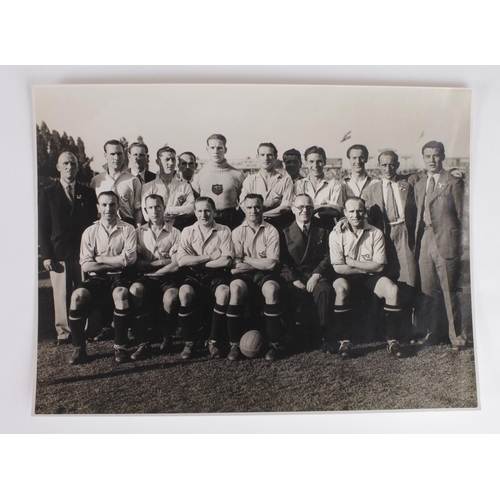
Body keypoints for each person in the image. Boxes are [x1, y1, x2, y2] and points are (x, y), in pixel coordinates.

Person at [67, 191, 137, 365]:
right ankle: (79, 349)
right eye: (104, 205)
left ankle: (120, 347)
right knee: (77, 297)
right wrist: (116, 261)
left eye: (112, 204)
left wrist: (100, 259)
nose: (108, 209)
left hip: (120, 276)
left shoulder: (128, 229)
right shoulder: (90, 232)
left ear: (118, 207)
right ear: (98, 208)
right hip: (97, 278)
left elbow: (129, 260)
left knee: (121, 294)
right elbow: (86, 265)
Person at [329, 197, 405, 359]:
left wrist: (352, 262)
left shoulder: (376, 233)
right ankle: (345, 341)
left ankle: (393, 340)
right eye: (351, 211)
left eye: (359, 211)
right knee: (341, 289)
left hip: (370, 276)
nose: (355, 215)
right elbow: (338, 267)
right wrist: (365, 267)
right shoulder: (336, 233)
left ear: (365, 212)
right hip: (346, 276)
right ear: (345, 213)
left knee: (392, 289)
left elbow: (379, 266)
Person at [39, 151, 98, 345]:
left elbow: (92, 224)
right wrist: (47, 255)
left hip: (83, 253)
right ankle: (64, 332)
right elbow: (43, 227)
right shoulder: (47, 193)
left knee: (84, 291)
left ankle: (86, 330)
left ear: (78, 166)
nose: (69, 167)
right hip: (59, 252)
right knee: (61, 294)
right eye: (65, 164)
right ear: (58, 167)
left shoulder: (88, 193)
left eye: (72, 163)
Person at [414, 141, 466, 351]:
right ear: (423, 158)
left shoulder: (453, 181)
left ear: (443, 156)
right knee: (428, 291)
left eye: (436, 156)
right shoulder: (419, 183)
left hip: (446, 240)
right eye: (428, 156)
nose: (432, 160)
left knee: (449, 291)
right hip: (425, 239)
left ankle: (457, 338)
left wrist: (461, 244)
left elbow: (463, 216)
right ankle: (434, 333)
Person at [229, 194, 286, 361]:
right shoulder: (237, 232)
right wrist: (259, 262)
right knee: (235, 289)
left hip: (264, 275)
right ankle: (234, 344)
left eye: (257, 207)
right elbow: (235, 266)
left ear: (263, 208)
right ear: (243, 208)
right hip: (244, 274)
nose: (253, 211)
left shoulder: (271, 230)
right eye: (249, 207)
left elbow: (271, 265)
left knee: (271, 289)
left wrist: (245, 258)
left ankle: (274, 344)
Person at [176, 197, 234, 360]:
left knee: (224, 292)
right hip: (194, 275)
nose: (204, 214)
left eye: (207, 210)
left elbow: (227, 260)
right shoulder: (188, 231)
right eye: (200, 211)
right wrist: (209, 256)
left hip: (216, 274)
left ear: (214, 211)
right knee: (184, 293)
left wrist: (198, 261)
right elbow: (181, 261)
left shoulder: (224, 230)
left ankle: (214, 342)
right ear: (195, 212)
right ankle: (189, 343)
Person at [128, 194, 181, 360]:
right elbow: (136, 262)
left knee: (171, 297)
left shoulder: (175, 232)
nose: (155, 211)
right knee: (135, 290)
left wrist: (154, 269)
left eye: (158, 206)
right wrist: (158, 263)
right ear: (145, 211)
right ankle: (144, 342)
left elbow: (175, 264)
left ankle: (167, 337)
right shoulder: (138, 232)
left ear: (164, 208)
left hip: (166, 277)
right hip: (145, 276)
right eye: (150, 207)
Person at [281, 193, 335, 350]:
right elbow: (282, 260)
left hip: (316, 273)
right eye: (301, 207)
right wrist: (293, 278)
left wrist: (317, 275)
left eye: (309, 207)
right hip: (295, 275)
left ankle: (324, 335)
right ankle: (290, 335)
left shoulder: (323, 229)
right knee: (286, 290)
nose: (305, 210)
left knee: (325, 290)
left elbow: (328, 255)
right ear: (293, 209)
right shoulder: (284, 231)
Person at [363, 151, 418, 289]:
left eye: (392, 165)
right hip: (383, 233)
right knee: (386, 276)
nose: (388, 169)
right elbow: (363, 213)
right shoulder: (371, 190)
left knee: (410, 274)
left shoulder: (409, 182)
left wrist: (453, 171)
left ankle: (410, 307)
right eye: (384, 165)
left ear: (397, 165)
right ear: (379, 166)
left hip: (404, 231)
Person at [191, 134, 245, 229]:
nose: (216, 152)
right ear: (207, 149)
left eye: (219, 148)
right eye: (212, 148)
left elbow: (244, 202)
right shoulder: (199, 175)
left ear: (225, 150)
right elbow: (195, 202)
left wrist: (238, 219)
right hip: (207, 219)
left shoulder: (237, 175)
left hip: (231, 220)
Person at [240, 142, 294, 228]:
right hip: (254, 225)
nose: (266, 159)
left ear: (275, 157)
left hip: (278, 225)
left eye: (269, 155)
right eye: (262, 155)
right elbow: (243, 204)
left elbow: (286, 207)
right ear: (257, 157)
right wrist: (273, 203)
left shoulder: (285, 180)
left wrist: (257, 212)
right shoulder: (250, 180)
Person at [90, 140, 143, 227]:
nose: (117, 158)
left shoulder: (133, 180)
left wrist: (138, 229)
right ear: (105, 155)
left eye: (119, 154)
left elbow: (137, 208)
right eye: (112, 154)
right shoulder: (96, 181)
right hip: (104, 226)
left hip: (127, 225)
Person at [141, 146, 195, 230]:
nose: (171, 163)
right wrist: (179, 212)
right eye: (167, 159)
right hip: (157, 231)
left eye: (173, 159)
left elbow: (191, 208)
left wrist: (169, 210)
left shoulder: (184, 186)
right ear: (158, 162)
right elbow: (147, 216)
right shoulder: (148, 187)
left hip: (180, 229)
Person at [293, 145, 343, 229]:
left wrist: (309, 209)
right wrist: (324, 206)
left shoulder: (334, 184)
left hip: (326, 228)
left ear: (324, 162)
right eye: (311, 161)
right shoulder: (299, 184)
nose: (315, 165)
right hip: (303, 228)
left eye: (319, 161)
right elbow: (295, 209)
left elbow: (336, 211)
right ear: (306, 163)